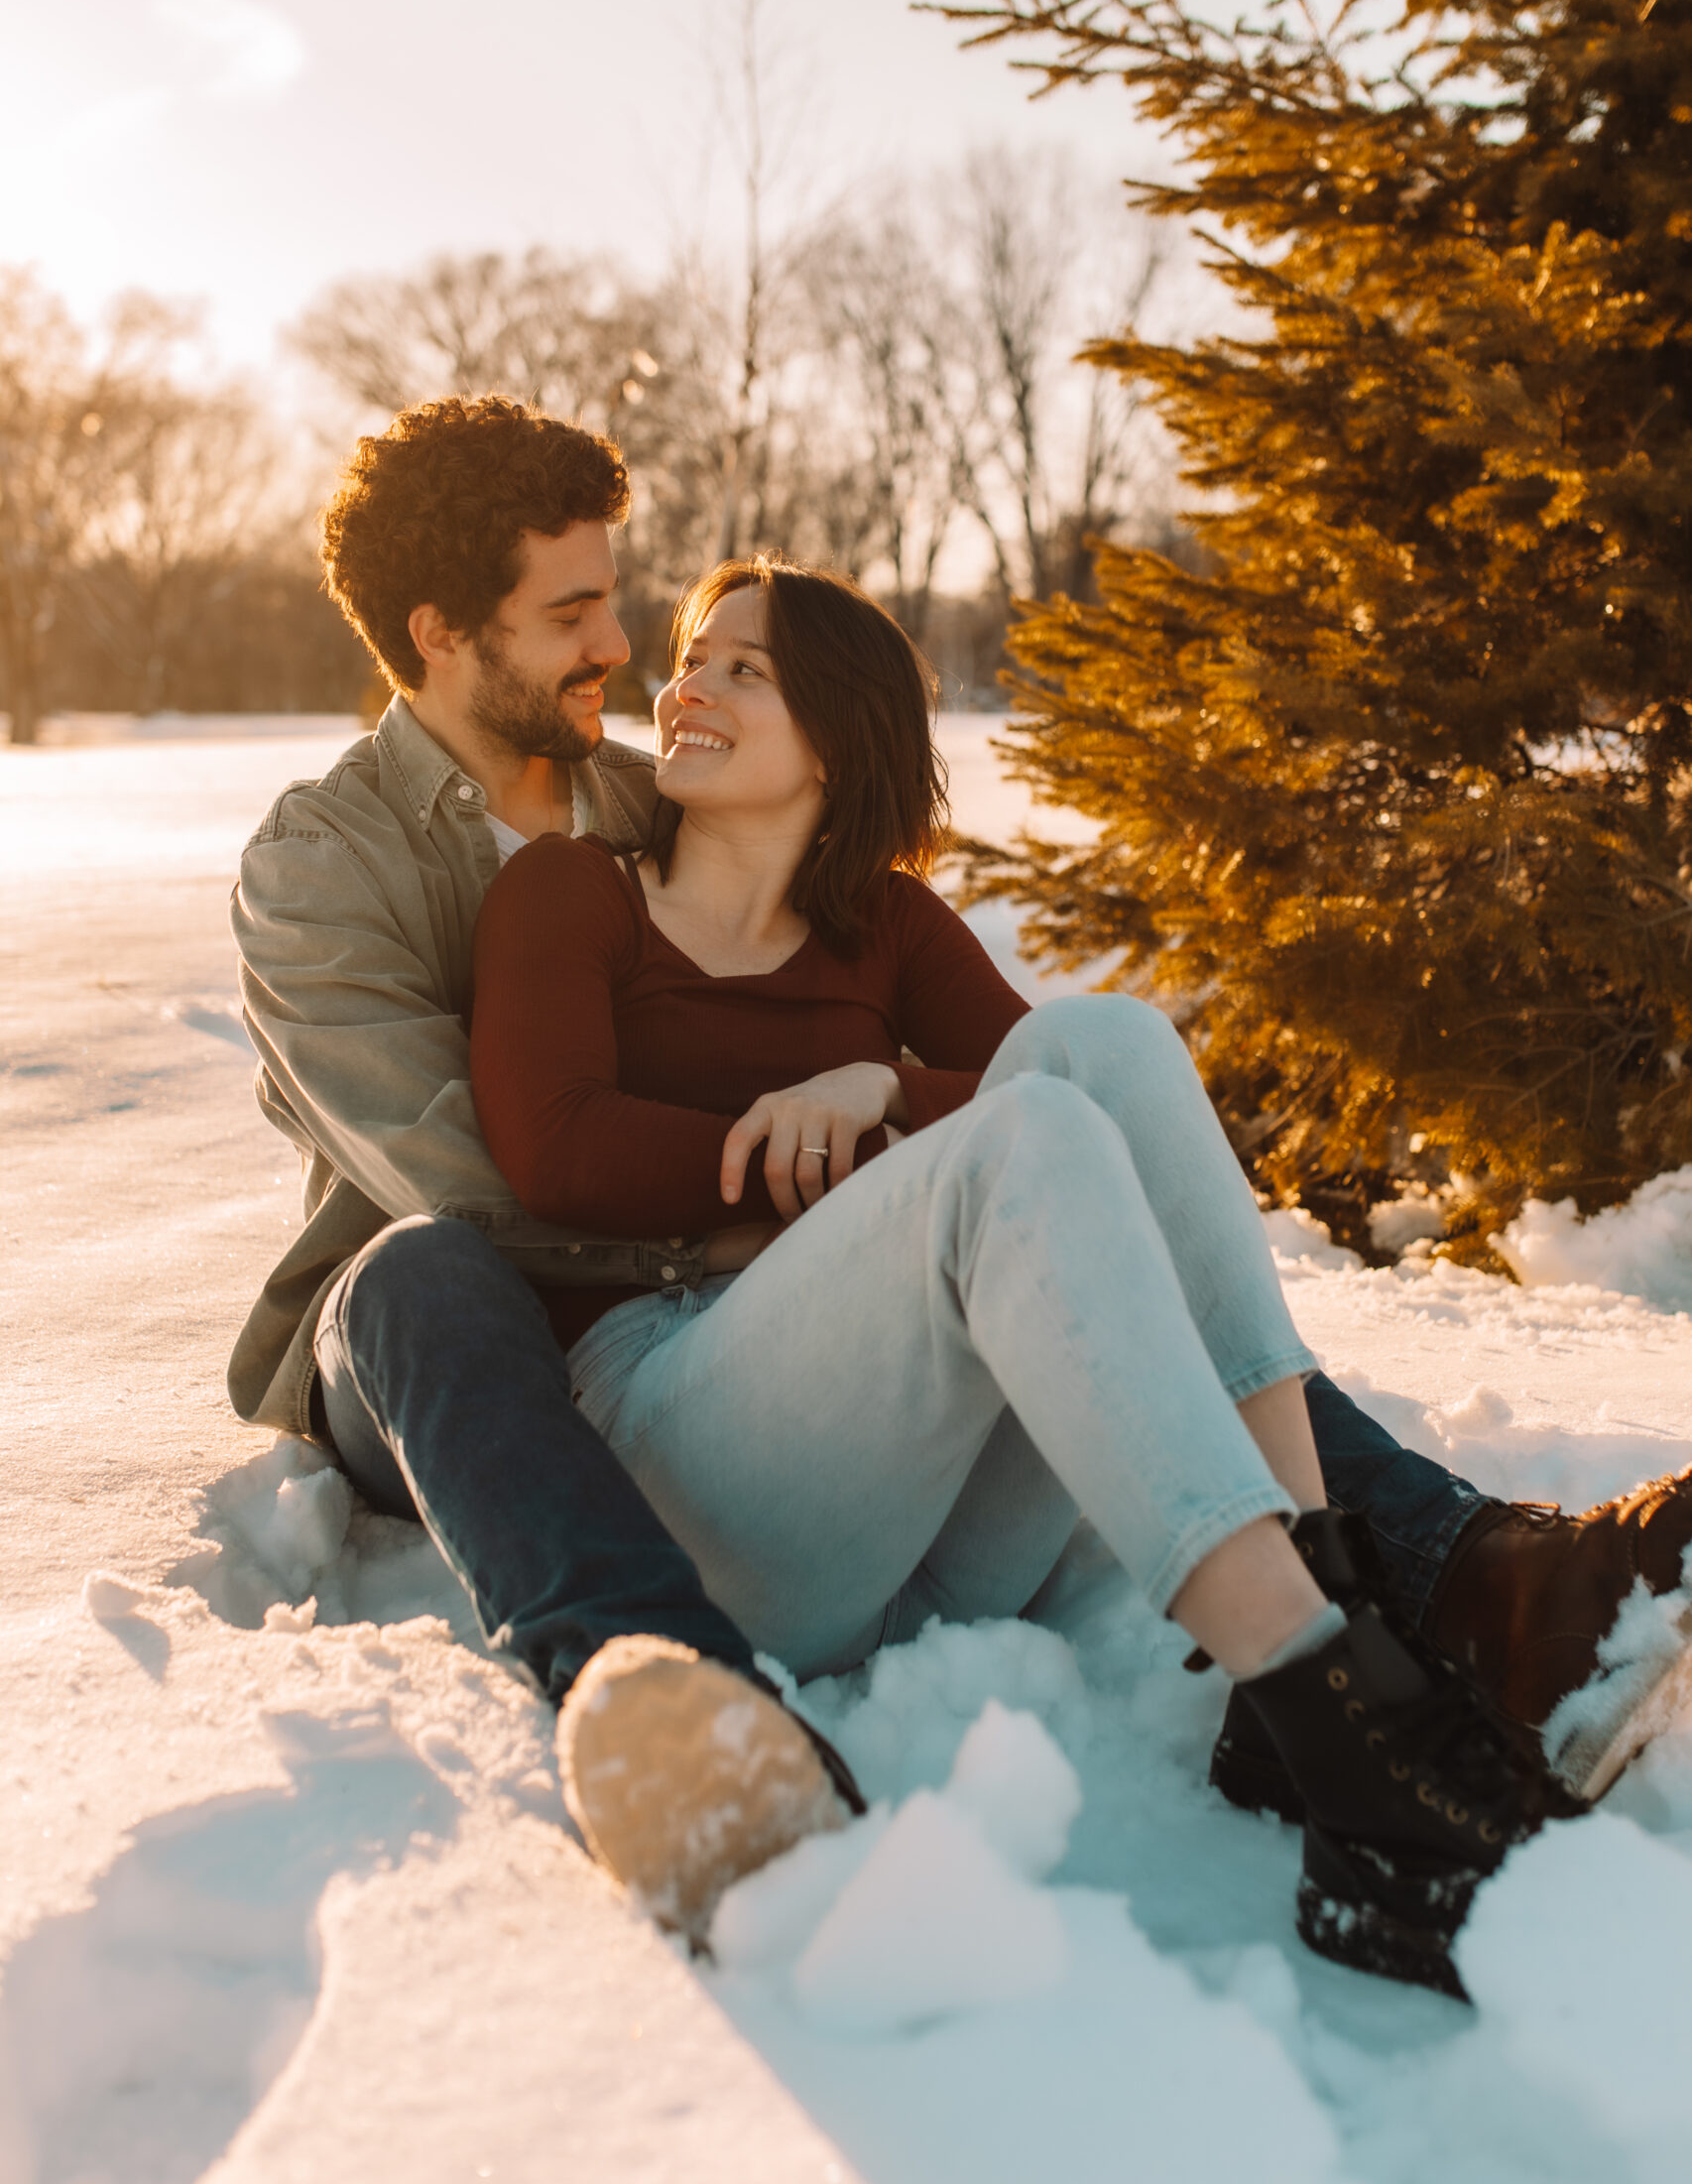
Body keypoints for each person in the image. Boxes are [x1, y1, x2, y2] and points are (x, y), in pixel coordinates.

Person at [230, 393, 1692, 1961]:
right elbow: (498, 1171)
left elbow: (1029, 1096)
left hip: (783, 1367)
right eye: (575, 613)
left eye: (660, 626)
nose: (636, 656)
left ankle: (1433, 1589)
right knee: (428, 1270)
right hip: (449, 1355)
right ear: (441, 632)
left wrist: (879, 1135)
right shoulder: (334, 864)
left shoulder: (651, 793)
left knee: (1097, 1069)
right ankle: (662, 1689)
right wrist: (819, 1209)